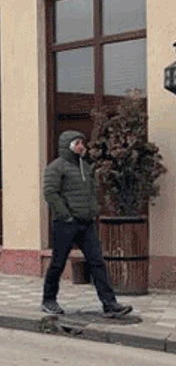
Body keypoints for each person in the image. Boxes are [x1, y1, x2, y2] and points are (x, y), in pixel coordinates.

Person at [42, 130, 133, 318]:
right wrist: (66, 215)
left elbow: (92, 192)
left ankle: (110, 304)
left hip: (87, 223)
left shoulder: (86, 166)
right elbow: (50, 193)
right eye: (77, 143)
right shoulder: (56, 167)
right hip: (65, 224)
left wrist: (94, 211)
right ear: (68, 145)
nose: (82, 146)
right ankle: (49, 300)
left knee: (97, 262)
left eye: (82, 143)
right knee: (58, 263)